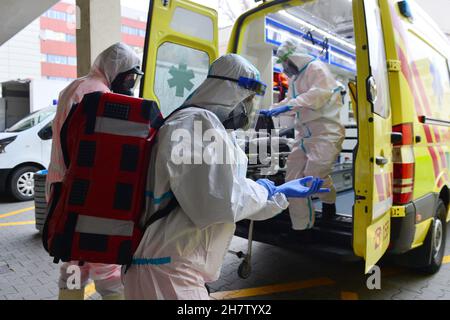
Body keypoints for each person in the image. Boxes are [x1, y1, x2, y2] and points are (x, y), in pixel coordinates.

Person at [122, 54, 328, 300]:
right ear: (230, 91)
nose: (248, 108)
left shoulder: (204, 124)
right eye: (247, 99)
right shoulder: (195, 123)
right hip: (168, 274)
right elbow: (218, 203)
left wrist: (278, 192)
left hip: (171, 268)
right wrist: (265, 190)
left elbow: (225, 192)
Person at [45, 42, 144, 300]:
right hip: (88, 197)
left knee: (74, 261)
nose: (131, 83)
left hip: (61, 191)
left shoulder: (75, 86)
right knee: (107, 266)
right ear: (117, 70)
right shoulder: (100, 95)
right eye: (130, 76)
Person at [260, 39, 345, 230]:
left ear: (294, 58)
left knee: (315, 174)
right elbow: (292, 101)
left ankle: (329, 205)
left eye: (285, 62)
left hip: (325, 131)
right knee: (292, 180)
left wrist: (290, 105)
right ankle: (301, 226)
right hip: (303, 134)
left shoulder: (316, 68)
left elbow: (319, 95)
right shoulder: (295, 79)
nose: (284, 68)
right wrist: (272, 109)